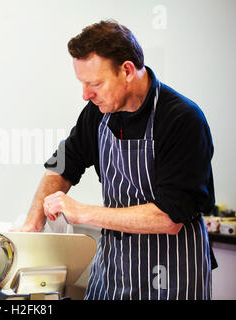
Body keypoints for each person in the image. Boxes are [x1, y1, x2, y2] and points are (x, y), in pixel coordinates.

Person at [19, 20, 216, 300]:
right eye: (83, 83)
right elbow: (61, 165)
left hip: (171, 274)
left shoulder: (182, 119)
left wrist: (82, 212)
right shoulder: (97, 112)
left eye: (95, 83)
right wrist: (32, 224)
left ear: (126, 71)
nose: (86, 94)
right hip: (114, 268)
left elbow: (169, 217)